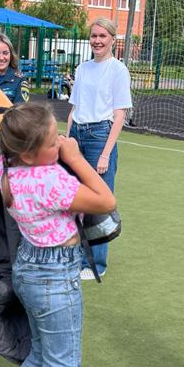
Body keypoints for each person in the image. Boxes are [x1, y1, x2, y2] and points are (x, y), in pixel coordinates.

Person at [0, 102, 116, 367]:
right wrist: (75, 158)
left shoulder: (5, 164)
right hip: (55, 276)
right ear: (30, 153)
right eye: (52, 140)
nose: (60, 142)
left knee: (42, 353)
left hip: (28, 267)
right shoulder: (49, 180)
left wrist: (54, 146)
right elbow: (106, 201)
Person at [66, 17, 132, 280]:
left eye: (102, 36)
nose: (97, 41)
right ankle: (75, 257)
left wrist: (105, 153)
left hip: (99, 137)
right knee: (75, 198)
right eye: (94, 36)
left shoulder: (118, 70)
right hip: (78, 134)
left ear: (112, 39)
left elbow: (119, 115)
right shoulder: (82, 69)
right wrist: (67, 141)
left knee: (99, 201)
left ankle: (96, 264)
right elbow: (74, 109)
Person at [0, 33, 30, 104]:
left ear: (11, 55)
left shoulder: (19, 80)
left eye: (5, 53)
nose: (1, 58)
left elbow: (21, 109)